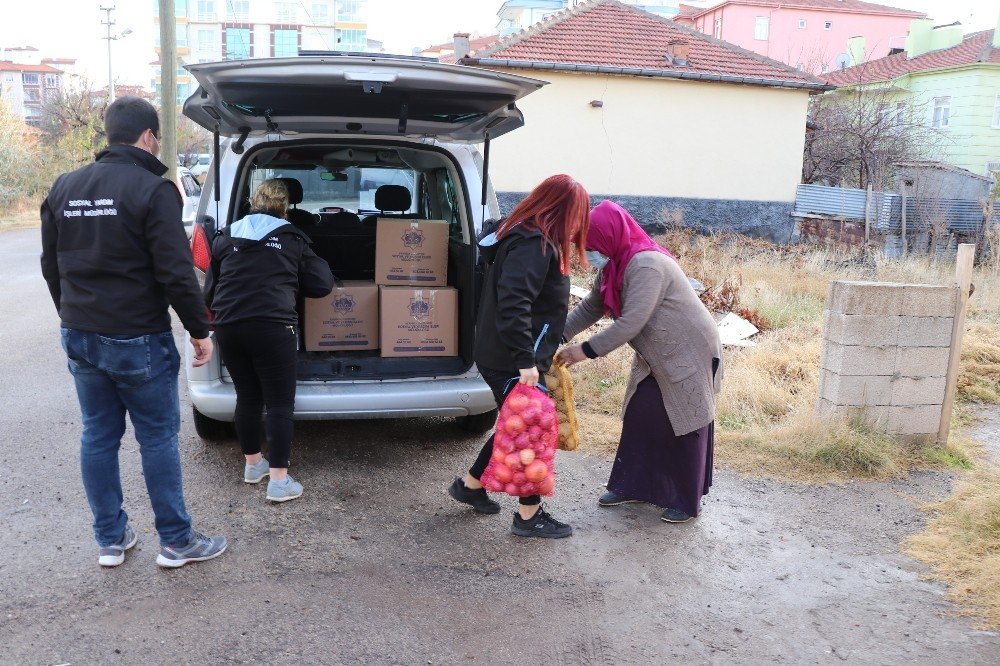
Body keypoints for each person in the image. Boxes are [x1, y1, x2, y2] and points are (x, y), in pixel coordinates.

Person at [40, 96, 227, 568]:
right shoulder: (153, 190)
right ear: (149, 137)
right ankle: (176, 540)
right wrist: (199, 328)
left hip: (80, 332)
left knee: (98, 435)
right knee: (158, 437)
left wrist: (71, 312)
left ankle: (110, 539)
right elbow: (175, 271)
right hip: (137, 336)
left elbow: (50, 264)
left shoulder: (65, 186)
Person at [555, 201, 723, 523]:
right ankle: (631, 486)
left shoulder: (646, 265)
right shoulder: (613, 264)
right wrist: (558, 336)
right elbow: (592, 306)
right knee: (640, 414)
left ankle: (685, 501)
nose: (590, 254)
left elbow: (631, 322)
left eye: (592, 246)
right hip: (655, 351)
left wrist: (584, 351)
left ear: (609, 237)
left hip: (688, 348)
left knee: (686, 419)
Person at [447, 174, 590, 538]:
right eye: (577, 215)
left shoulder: (528, 236)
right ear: (562, 211)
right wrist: (525, 360)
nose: (578, 225)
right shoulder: (533, 244)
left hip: (506, 353)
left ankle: (470, 485)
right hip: (512, 359)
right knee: (527, 431)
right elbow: (514, 303)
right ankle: (528, 517)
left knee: (514, 423)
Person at [204, 179, 334, 503]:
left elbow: (208, 292)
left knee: (247, 396)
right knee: (278, 402)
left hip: (229, 327)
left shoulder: (225, 237)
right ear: (285, 208)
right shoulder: (292, 239)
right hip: (273, 328)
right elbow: (322, 285)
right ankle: (278, 480)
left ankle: (253, 465)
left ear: (251, 202)